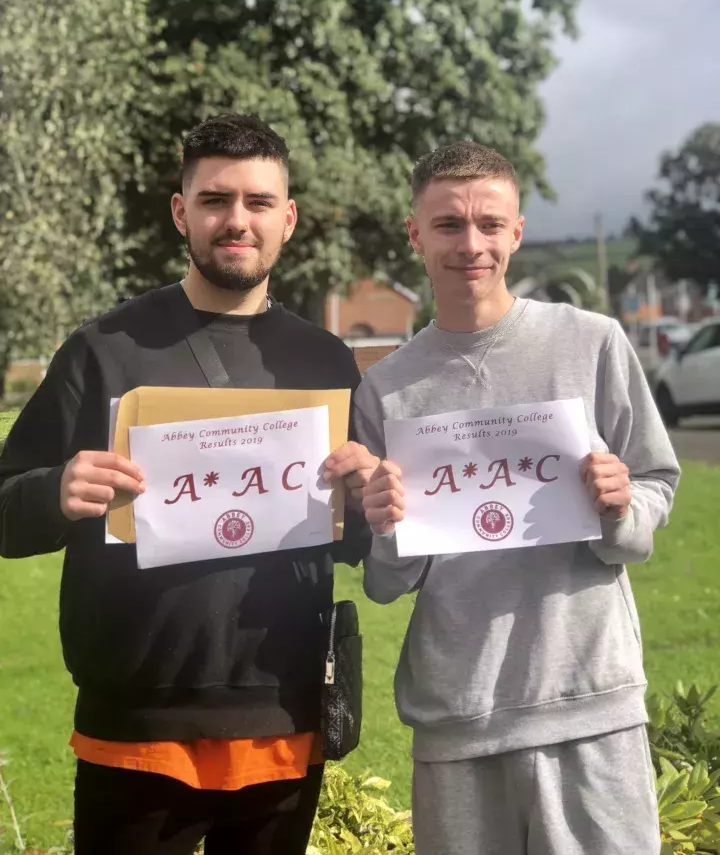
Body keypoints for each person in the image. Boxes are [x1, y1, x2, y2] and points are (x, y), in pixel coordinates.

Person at [0, 113, 378, 855]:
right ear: (182, 211)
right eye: (215, 200)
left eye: (259, 203)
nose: (236, 220)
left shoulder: (326, 361)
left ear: (288, 219)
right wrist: (55, 490)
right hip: (136, 727)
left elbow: (352, 538)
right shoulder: (103, 351)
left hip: (282, 716)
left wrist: (367, 501)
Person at [355, 140, 680, 855]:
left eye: (489, 224)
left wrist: (623, 506)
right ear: (415, 233)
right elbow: (384, 580)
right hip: (458, 716)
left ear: (517, 232)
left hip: (590, 704)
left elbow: (657, 483)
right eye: (447, 225)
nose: (471, 244)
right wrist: (385, 528)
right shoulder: (385, 388)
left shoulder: (592, 344)